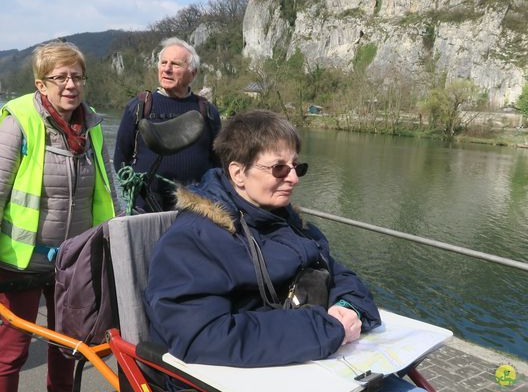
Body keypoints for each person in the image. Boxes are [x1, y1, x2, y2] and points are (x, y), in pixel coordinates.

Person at [144, 110, 425, 392]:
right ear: (238, 172)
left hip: (312, 369)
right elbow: (201, 336)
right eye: (279, 168)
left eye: (297, 167)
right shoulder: (193, 239)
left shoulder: (287, 221)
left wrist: (347, 308)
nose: (294, 178)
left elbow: (338, 274)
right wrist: (326, 329)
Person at [0, 41, 115, 391]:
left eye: (77, 76)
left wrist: (115, 256)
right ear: (40, 84)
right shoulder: (19, 124)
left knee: (69, 349)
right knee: (11, 353)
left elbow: (109, 194)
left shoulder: (91, 125)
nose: (70, 85)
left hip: (74, 263)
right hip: (21, 264)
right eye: (60, 77)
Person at [113, 37, 221, 211]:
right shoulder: (139, 106)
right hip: (145, 210)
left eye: (176, 64)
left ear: (193, 73)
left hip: (195, 211)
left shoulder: (208, 112)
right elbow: (121, 160)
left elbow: (218, 163)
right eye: (163, 63)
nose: (167, 69)